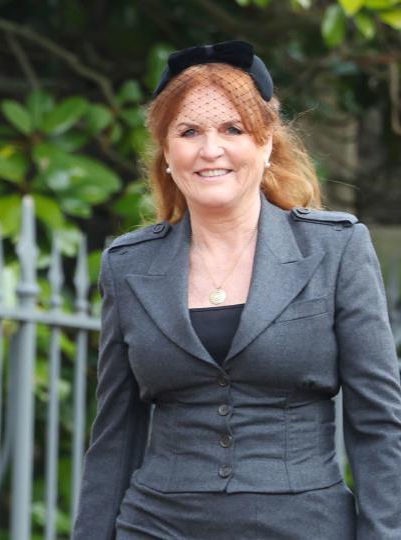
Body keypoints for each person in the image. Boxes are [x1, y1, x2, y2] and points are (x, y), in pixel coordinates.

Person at [72, 41, 401, 539]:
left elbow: (377, 423)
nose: (210, 150)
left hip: (303, 525)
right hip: (155, 525)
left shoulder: (335, 248)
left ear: (266, 143)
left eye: (233, 129)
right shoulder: (129, 265)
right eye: (189, 132)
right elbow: (114, 435)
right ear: (166, 151)